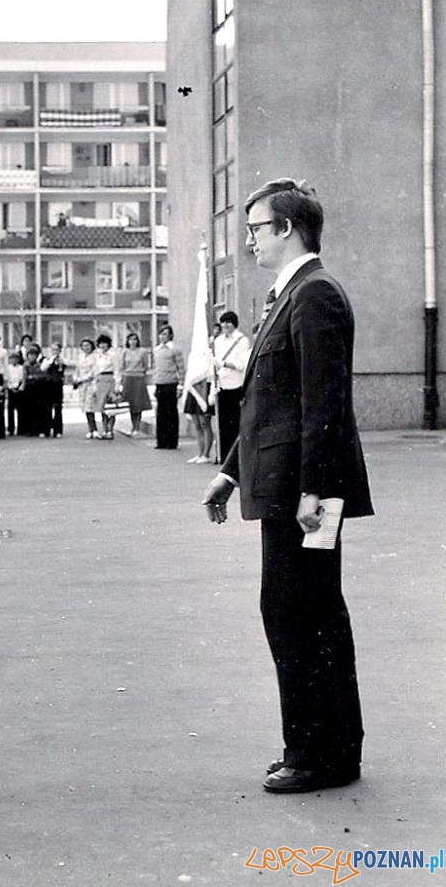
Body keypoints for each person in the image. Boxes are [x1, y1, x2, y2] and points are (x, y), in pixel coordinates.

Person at [202, 178, 373, 794]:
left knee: (299, 612)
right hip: (291, 487)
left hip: (304, 494)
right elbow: (267, 403)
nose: (249, 239)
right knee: (304, 611)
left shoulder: (314, 293)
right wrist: (229, 472)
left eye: (256, 228)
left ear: (287, 229)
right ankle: (326, 749)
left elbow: (324, 403)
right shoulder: (291, 294)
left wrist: (314, 491)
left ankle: (317, 755)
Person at [212, 311, 251, 462]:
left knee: (235, 422)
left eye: (228, 322)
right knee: (222, 423)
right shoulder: (218, 341)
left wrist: (224, 364)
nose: (225, 325)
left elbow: (241, 365)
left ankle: (235, 458)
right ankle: (223, 455)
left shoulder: (242, 340)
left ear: (234, 323)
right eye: (223, 322)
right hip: (221, 385)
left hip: (236, 385)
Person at [153, 325, 184, 449]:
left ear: (170, 336)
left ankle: (172, 442)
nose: (162, 337)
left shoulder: (174, 349)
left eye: (165, 334)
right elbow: (156, 368)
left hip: (171, 383)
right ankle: (161, 441)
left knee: (171, 412)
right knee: (160, 413)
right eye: (161, 334)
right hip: (160, 383)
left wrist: (180, 385)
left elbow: (181, 368)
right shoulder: (157, 350)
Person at [119, 332, 151, 436]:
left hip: (139, 378)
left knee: (138, 403)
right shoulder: (124, 352)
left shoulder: (142, 351)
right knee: (130, 403)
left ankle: (137, 427)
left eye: (135, 339)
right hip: (128, 378)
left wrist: (141, 374)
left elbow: (146, 366)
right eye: (130, 340)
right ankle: (133, 426)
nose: (132, 342)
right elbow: (121, 366)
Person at [20, 343, 51, 436]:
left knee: (38, 410)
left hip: (38, 389)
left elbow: (43, 375)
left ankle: (39, 429)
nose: (32, 357)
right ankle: (29, 429)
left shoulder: (39, 365)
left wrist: (33, 377)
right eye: (30, 355)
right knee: (29, 410)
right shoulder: (25, 365)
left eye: (34, 355)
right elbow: (24, 377)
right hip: (28, 389)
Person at [183, 378, 215, 464]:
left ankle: (206, 454)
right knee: (197, 424)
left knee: (204, 423)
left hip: (204, 385)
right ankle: (200, 453)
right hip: (192, 386)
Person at [93, 334, 118, 440]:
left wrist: (117, 385)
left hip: (110, 379)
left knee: (111, 407)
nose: (103, 345)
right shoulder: (97, 356)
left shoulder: (113, 355)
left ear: (108, 344)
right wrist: (95, 384)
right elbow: (95, 370)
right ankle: (104, 430)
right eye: (101, 343)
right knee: (102, 407)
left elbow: (117, 370)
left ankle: (110, 430)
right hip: (100, 380)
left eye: (105, 343)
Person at [73, 338, 99, 439]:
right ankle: (91, 429)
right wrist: (76, 378)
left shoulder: (95, 357)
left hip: (91, 383)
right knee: (86, 408)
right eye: (84, 346)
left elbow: (94, 372)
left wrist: (82, 379)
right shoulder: (80, 357)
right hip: (82, 385)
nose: (86, 348)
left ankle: (95, 429)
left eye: (88, 345)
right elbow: (77, 369)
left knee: (90, 406)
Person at [41, 341, 66, 438]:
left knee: (58, 408)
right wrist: (51, 359)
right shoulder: (47, 359)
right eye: (53, 349)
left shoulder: (62, 360)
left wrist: (61, 362)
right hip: (48, 385)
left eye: (57, 349)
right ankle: (46, 430)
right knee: (47, 408)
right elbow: (43, 368)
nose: (55, 351)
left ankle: (58, 430)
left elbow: (68, 365)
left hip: (58, 385)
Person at [5, 351, 24, 435]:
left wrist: (19, 387)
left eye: (16, 359)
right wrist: (11, 387)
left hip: (19, 389)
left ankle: (21, 428)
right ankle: (10, 429)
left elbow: (22, 378)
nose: (14, 360)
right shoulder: (8, 368)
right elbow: (7, 379)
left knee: (20, 410)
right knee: (10, 410)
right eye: (12, 359)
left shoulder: (21, 368)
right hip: (11, 389)